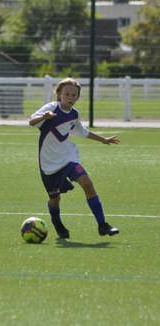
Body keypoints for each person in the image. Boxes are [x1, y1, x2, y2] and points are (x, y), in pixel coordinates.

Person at [29, 78, 120, 238]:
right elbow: (31, 121)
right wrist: (44, 117)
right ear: (59, 94)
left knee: (87, 183)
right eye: (67, 94)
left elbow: (83, 131)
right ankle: (57, 222)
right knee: (55, 199)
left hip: (68, 159)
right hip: (49, 164)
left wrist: (103, 139)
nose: (70, 97)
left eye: (74, 95)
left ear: (77, 97)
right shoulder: (51, 108)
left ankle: (102, 225)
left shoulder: (74, 114)